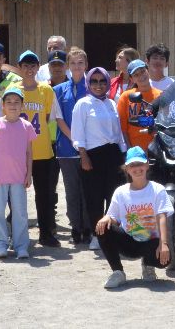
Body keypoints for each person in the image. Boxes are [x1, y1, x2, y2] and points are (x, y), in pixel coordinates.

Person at [97, 147, 173, 289]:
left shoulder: (157, 189)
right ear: (126, 169)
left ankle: (148, 264)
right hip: (129, 240)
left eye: (140, 164)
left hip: (151, 242)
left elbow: (162, 216)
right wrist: (105, 218)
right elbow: (113, 217)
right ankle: (117, 272)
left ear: (146, 165)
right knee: (103, 227)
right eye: (132, 165)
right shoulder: (120, 192)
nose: (137, 168)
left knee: (164, 261)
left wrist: (164, 244)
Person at [73, 67, 126, 252]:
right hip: (92, 155)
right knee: (93, 198)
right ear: (88, 83)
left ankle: (111, 234)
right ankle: (97, 235)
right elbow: (77, 133)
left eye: (102, 81)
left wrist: (123, 154)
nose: (98, 85)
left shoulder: (112, 103)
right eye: (94, 81)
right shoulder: (83, 104)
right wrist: (83, 156)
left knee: (113, 196)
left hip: (113, 155)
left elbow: (118, 132)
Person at [17, 50, 62, 248]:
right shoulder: (12, 89)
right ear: (20, 68)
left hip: (42, 150)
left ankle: (46, 233)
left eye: (32, 66)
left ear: (37, 68)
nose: (29, 69)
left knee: (44, 194)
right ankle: (19, 234)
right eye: (25, 66)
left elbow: (48, 118)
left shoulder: (46, 90)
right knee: (16, 195)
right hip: (17, 151)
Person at [0, 87, 35, 259]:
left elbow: (29, 153)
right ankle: (0, 244)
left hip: (18, 178)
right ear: (3, 106)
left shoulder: (27, 126)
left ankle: (21, 245)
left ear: (22, 106)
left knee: (20, 213)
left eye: (16, 102)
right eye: (9, 102)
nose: (13, 105)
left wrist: (29, 174)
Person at [53, 47, 91, 245]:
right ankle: (75, 227)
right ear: (68, 66)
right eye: (73, 63)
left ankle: (88, 227)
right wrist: (75, 139)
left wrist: (84, 142)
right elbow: (59, 118)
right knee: (72, 190)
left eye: (80, 63)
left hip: (90, 148)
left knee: (88, 190)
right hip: (67, 149)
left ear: (86, 65)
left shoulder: (94, 87)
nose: (77, 67)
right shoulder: (58, 90)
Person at [116, 60, 161, 153]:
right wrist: (129, 150)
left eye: (142, 71)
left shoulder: (161, 95)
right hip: (135, 150)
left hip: (157, 148)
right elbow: (122, 128)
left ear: (148, 71)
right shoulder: (126, 97)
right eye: (136, 75)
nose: (141, 76)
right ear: (132, 79)